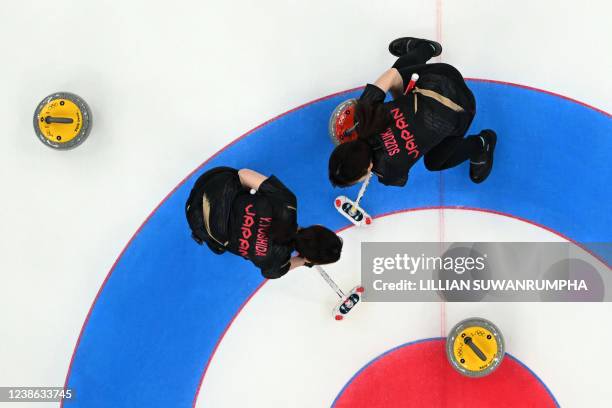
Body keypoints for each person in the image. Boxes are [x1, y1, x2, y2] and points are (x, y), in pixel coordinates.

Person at [328, 37, 497, 188]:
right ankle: (426, 48)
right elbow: (392, 75)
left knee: (434, 163)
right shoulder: (365, 113)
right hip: (445, 76)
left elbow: (401, 179)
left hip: (464, 111)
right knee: (397, 76)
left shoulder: (388, 172)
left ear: (368, 169)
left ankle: (483, 143)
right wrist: (401, 100)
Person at [186, 166, 343, 279]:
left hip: (209, 184)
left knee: (242, 180)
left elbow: (243, 173)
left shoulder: (287, 203)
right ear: (308, 257)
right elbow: (271, 273)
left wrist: (248, 200)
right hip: (197, 222)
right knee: (220, 244)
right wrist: (303, 261)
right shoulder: (275, 263)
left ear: (319, 226)